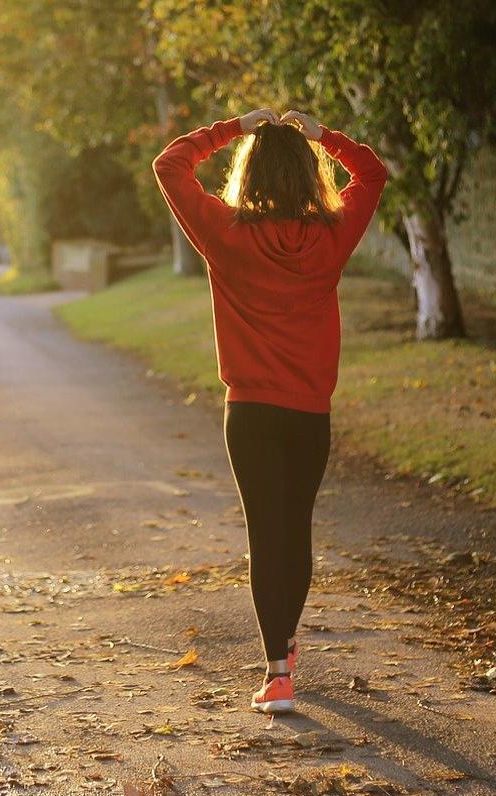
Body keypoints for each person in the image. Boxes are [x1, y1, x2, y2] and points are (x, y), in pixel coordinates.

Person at [152, 108, 388, 713]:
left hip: (250, 413)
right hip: (309, 413)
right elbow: (373, 172)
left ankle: (277, 671)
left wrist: (234, 127)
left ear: (248, 174)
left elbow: (170, 165)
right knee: (296, 529)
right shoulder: (331, 237)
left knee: (266, 534)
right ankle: (283, 641)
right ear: (310, 176)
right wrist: (322, 136)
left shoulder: (225, 233)